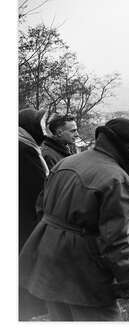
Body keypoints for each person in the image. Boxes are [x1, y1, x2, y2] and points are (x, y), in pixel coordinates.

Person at [19, 118, 129, 321]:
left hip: (49, 262)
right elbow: (116, 240)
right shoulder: (115, 177)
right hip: (83, 272)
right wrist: (128, 279)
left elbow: (41, 207)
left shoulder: (65, 162)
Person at [19, 107, 49, 320]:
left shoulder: (27, 147)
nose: (44, 131)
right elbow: (37, 190)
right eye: (41, 125)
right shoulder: (24, 151)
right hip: (26, 220)